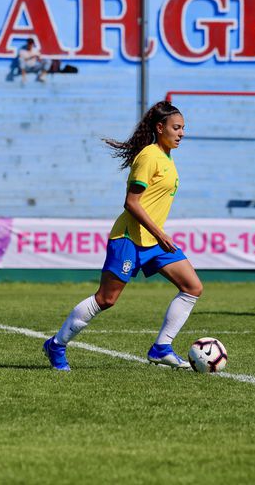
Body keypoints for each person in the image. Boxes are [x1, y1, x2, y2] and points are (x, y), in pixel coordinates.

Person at [43, 101, 203, 371]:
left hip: (154, 242)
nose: (182, 133)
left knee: (192, 287)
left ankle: (161, 347)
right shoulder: (149, 156)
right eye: (176, 128)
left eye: (183, 128)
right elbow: (131, 202)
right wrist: (159, 232)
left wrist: (158, 236)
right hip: (129, 239)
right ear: (159, 128)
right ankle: (56, 345)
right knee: (106, 299)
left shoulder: (166, 156)